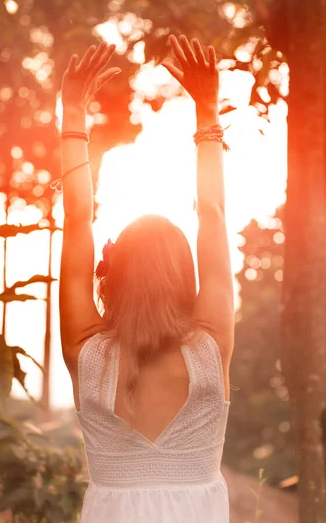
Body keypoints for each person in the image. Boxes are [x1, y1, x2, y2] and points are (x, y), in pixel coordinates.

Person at [57, 35, 235, 522]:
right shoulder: (210, 346)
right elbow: (214, 216)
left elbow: (77, 221)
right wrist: (207, 112)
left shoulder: (85, 353)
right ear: (184, 278)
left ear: (112, 278)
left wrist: (74, 115)